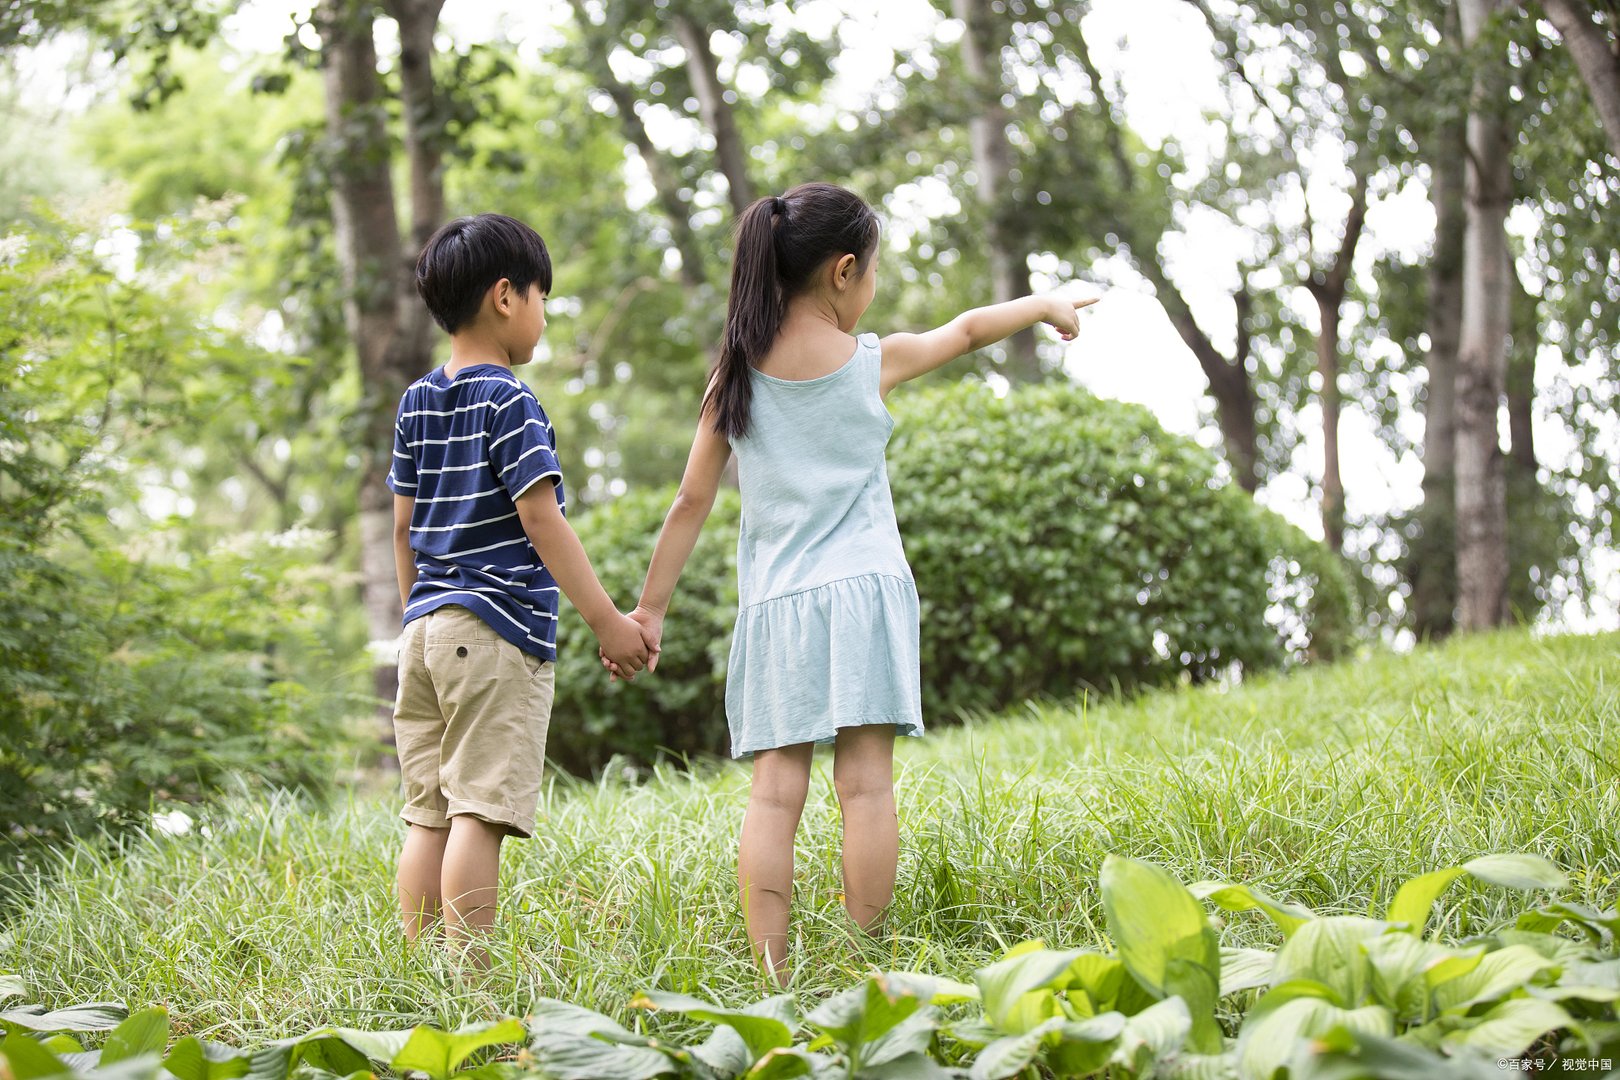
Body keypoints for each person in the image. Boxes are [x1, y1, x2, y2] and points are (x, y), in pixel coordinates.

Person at [611, 183, 1095, 983]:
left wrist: (649, 610)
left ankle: (772, 974)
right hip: (866, 592)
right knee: (866, 789)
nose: (872, 286)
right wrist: (1044, 304)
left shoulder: (734, 377)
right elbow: (968, 330)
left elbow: (691, 500)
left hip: (778, 607)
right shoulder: (870, 363)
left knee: (774, 796)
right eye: (871, 271)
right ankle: (866, 965)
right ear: (842, 272)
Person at [386, 212, 654, 967]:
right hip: (493, 630)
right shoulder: (509, 401)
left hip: (423, 631)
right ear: (506, 297)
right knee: (479, 811)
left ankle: (419, 974)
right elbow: (542, 519)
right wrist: (607, 622)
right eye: (542, 297)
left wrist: (419, 612)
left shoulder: (415, 402)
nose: (542, 314)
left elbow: (402, 527)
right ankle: (472, 986)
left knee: (429, 815)